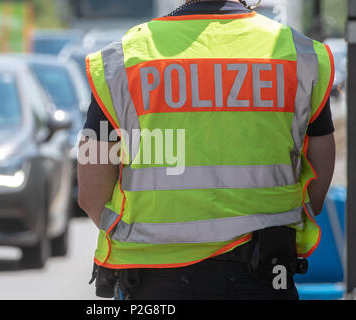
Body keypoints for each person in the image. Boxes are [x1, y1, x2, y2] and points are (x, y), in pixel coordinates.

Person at [78, 0, 335, 300]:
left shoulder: (122, 60)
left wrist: (135, 232)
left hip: (154, 280)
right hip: (263, 275)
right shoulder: (298, 55)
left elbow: (90, 191)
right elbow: (317, 186)